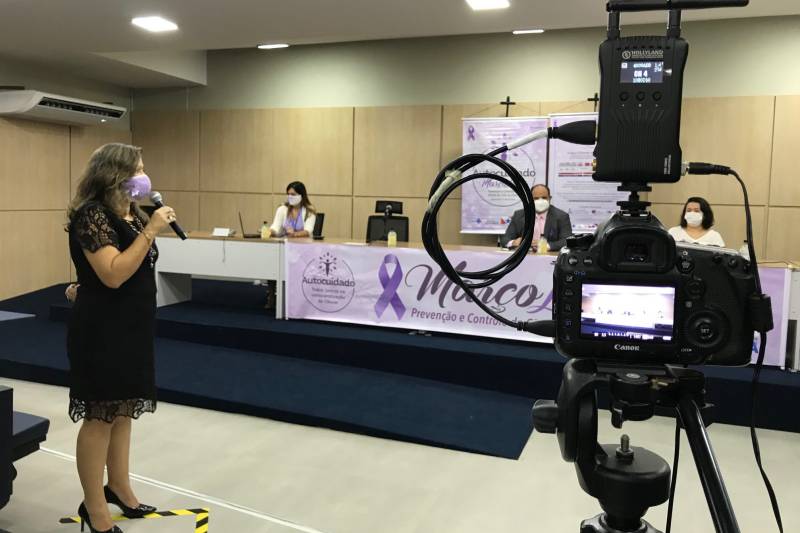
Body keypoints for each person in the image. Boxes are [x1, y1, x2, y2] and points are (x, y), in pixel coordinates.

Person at [66, 143, 175, 533]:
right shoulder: (92, 215)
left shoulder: (132, 212)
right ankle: (95, 509)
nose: (144, 176)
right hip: (102, 332)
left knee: (124, 410)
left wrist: (145, 227)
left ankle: (120, 488)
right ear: (115, 173)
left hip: (132, 328)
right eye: (138, 169)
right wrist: (152, 230)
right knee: (100, 416)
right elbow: (113, 273)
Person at [502, 184, 572, 252]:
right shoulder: (519, 215)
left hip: (549, 256)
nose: (540, 201)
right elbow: (505, 239)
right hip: (525, 256)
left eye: (544, 198)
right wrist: (514, 242)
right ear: (530, 199)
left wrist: (545, 246)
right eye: (536, 198)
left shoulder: (562, 216)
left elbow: (566, 241)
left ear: (549, 198)